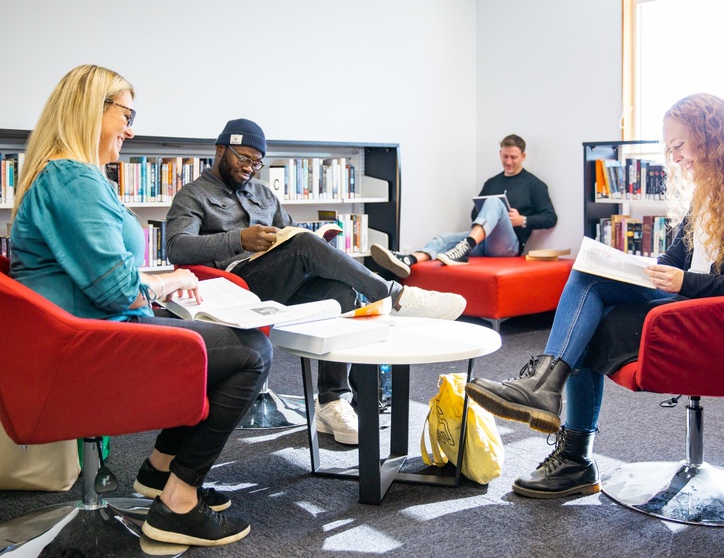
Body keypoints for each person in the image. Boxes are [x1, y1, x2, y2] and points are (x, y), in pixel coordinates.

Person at [465, 93, 724, 499]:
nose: (676, 157)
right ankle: (550, 400)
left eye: (679, 145)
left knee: (590, 313)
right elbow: (676, 257)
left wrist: (685, 282)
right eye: (669, 149)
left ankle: (569, 442)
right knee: (589, 274)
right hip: (693, 300)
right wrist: (633, 266)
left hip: (722, 316)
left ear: (712, 136)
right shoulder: (712, 189)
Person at [9, 65, 271, 547]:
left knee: (214, 341)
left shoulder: (64, 177)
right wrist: (164, 282)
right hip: (84, 352)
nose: (131, 128)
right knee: (251, 351)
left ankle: (159, 472)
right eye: (126, 114)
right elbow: (115, 292)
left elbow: (99, 275)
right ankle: (178, 501)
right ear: (91, 108)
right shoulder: (71, 180)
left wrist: (158, 284)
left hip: (75, 341)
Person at [165, 118, 466, 446]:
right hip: (236, 288)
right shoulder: (192, 195)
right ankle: (394, 295)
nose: (250, 167)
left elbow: (292, 237)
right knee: (308, 248)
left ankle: (332, 401)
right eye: (243, 158)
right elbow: (176, 247)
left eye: (257, 162)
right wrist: (240, 239)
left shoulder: (264, 194)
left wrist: (320, 241)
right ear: (221, 150)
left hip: (278, 286)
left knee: (340, 291)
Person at [369, 134, 557, 277]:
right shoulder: (492, 182)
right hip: (482, 242)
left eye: (513, 158)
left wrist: (522, 220)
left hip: (509, 246)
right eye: (505, 156)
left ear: (523, 156)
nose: (508, 162)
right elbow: (474, 216)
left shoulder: (534, 185)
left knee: (494, 202)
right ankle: (408, 259)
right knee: (443, 238)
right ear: (500, 153)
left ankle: (463, 248)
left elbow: (550, 217)